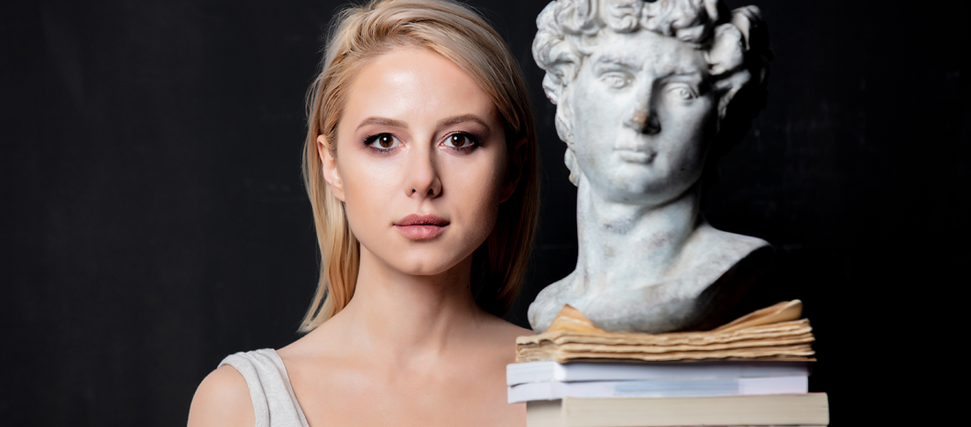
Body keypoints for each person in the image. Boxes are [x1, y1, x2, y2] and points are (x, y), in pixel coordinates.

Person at [187, 0, 538, 425]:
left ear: (512, 169)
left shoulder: (584, 384)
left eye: (460, 139)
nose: (423, 179)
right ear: (330, 165)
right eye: (384, 141)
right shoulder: (240, 404)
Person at [527, 0, 773, 333]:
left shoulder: (721, 273)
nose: (641, 117)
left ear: (721, 120)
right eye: (617, 79)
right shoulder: (550, 304)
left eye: (681, 90)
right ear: (566, 100)